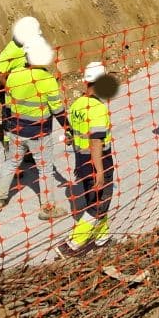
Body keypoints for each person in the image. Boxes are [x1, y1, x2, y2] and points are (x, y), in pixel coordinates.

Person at [0, 38, 69, 220]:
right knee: (45, 169)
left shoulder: (13, 76)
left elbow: (9, 106)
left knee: (11, 162)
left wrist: (11, 130)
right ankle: (47, 208)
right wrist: (68, 128)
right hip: (39, 134)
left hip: (16, 130)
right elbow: (57, 110)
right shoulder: (47, 79)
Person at [57, 62, 116, 258]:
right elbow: (96, 141)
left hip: (81, 163)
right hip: (99, 162)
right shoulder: (97, 109)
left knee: (95, 199)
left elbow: (71, 134)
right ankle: (72, 245)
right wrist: (100, 170)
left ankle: (102, 238)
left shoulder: (76, 105)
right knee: (100, 204)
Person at [0, 16, 44, 160]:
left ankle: (27, 152)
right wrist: (10, 87)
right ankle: (12, 158)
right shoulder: (13, 50)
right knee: (11, 127)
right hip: (10, 95)